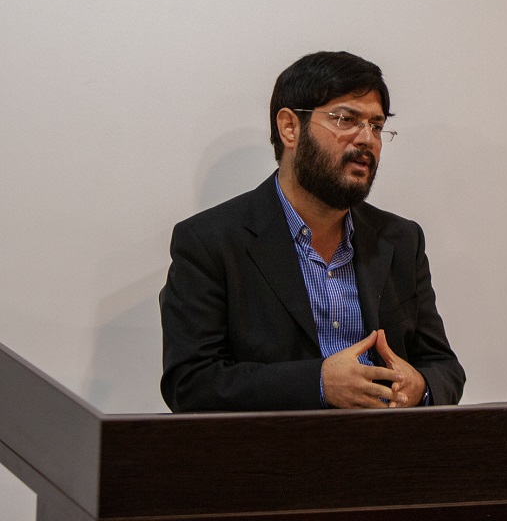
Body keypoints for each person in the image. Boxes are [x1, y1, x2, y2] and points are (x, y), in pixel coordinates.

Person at [160, 51, 465, 411]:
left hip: (387, 443)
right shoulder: (209, 242)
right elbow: (191, 384)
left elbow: (443, 367)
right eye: (346, 119)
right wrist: (317, 384)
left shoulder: (400, 240)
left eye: (376, 125)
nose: (367, 139)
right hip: (277, 445)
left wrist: (420, 387)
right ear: (290, 128)